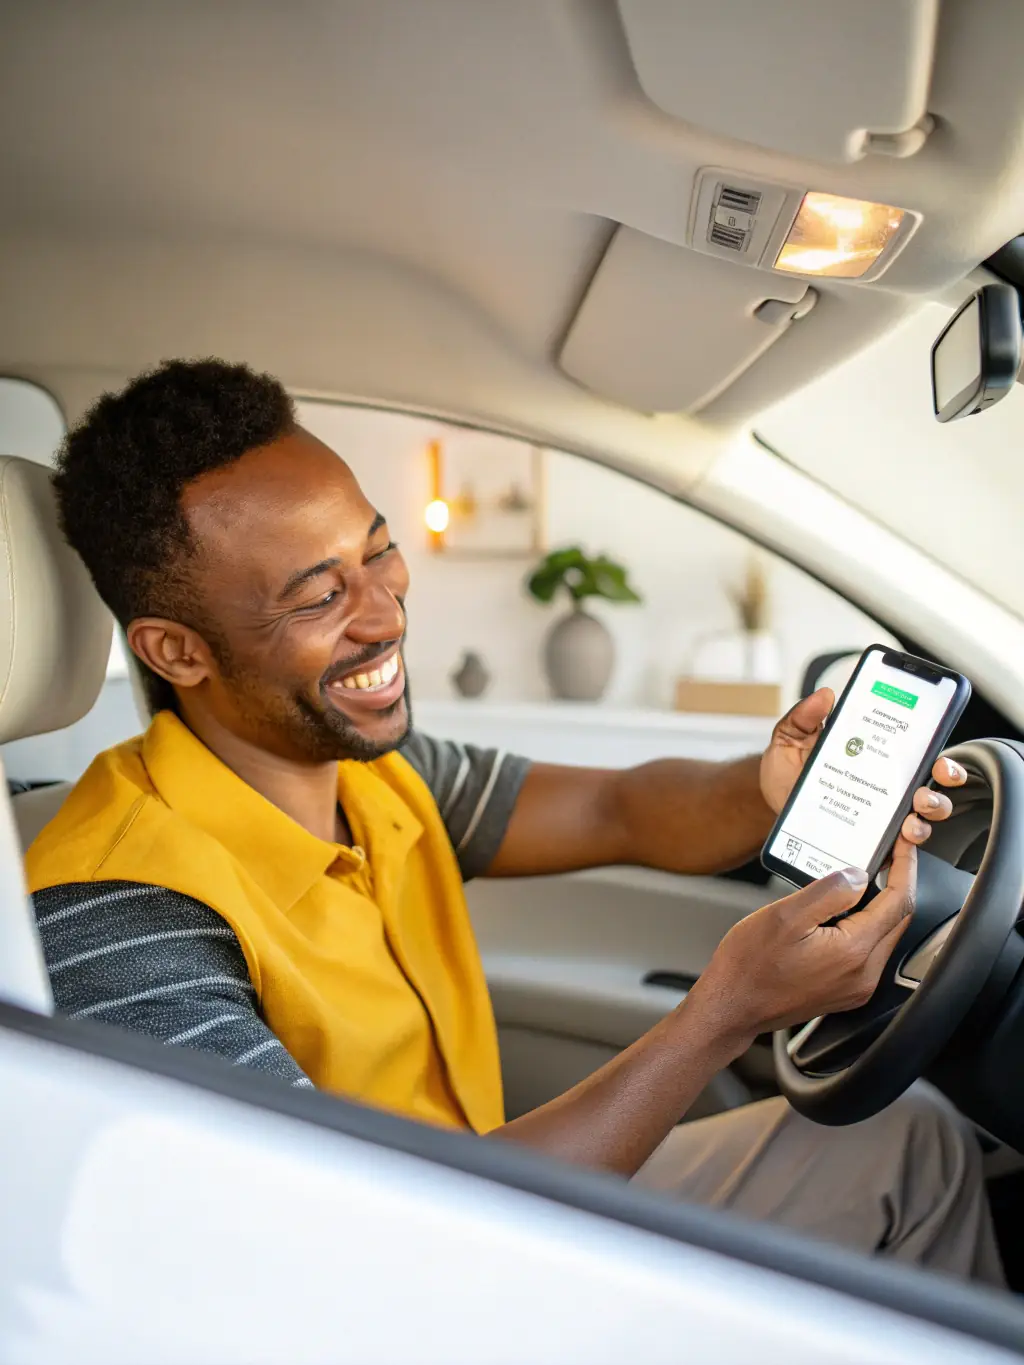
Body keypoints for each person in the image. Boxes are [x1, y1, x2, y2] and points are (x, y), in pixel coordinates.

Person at [27, 359, 1002, 1285]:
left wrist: (769, 786)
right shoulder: (116, 913)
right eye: (320, 595)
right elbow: (345, 1253)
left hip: (489, 1200)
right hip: (401, 1286)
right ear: (178, 651)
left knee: (906, 1141)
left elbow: (617, 808)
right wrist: (725, 1012)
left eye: (378, 552)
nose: (385, 615)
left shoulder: (376, 773)